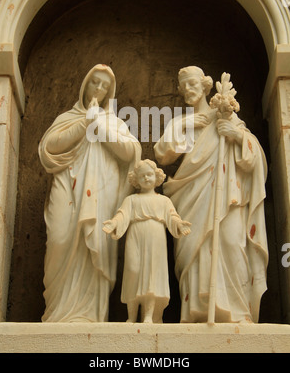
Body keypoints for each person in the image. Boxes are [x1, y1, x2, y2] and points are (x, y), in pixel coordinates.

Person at [154, 66, 268, 323]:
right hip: (191, 195)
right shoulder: (186, 123)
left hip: (227, 196)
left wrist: (236, 135)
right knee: (194, 251)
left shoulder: (224, 115)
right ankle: (197, 310)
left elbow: (255, 159)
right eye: (183, 87)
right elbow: (163, 155)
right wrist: (184, 123)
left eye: (192, 85)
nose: (187, 90)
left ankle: (238, 312)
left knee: (230, 242)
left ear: (206, 87)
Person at [39, 64, 141, 322]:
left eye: (105, 86)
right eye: (95, 82)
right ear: (85, 84)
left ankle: (90, 316)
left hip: (101, 190)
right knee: (60, 238)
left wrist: (100, 126)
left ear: (110, 92)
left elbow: (130, 153)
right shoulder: (68, 118)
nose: (99, 88)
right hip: (68, 184)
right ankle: (57, 311)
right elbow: (49, 147)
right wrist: (86, 122)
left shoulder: (113, 122)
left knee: (96, 241)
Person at [103, 159, 191, 323]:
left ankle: (149, 316)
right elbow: (122, 215)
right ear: (136, 180)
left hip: (155, 239)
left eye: (149, 174)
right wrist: (113, 223)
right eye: (142, 176)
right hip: (136, 237)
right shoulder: (131, 200)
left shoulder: (164, 201)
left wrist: (179, 224)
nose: (146, 178)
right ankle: (131, 316)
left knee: (152, 275)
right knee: (133, 271)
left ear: (156, 176)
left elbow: (172, 216)